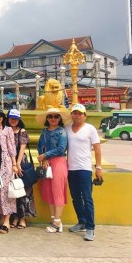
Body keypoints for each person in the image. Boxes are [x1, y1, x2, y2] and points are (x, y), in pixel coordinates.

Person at [65, 103, 103, 241]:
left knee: (87, 198)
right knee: (75, 198)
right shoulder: (67, 128)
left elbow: (97, 149)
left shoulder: (90, 129)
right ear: (71, 115)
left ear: (84, 115)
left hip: (85, 168)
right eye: (75, 113)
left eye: (80, 113)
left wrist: (98, 168)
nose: (77, 115)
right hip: (71, 168)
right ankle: (81, 222)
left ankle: (90, 227)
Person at [36, 107, 71, 233]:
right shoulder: (44, 132)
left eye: (56, 116)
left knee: (57, 191)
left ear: (60, 118)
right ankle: (53, 218)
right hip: (47, 163)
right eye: (50, 116)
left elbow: (61, 148)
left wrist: (45, 155)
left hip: (58, 162)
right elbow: (40, 146)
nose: (53, 119)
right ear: (47, 119)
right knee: (48, 191)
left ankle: (57, 222)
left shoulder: (62, 131)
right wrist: (43, 158)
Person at [0, 106, 18, 234]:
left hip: (6, 163)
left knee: (6, 191)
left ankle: (7, 219)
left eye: (0, 115)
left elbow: (12, 148)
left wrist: (14, 164)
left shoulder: (8, 130)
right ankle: (0, 216)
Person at [7, 109, 36, 229]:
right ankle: (14, 217)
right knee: (12, 191)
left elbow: (22, 148)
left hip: (20, 163)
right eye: (11, 118)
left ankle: (23, 218)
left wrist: (18, 164)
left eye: (16, 118)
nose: (13, 120)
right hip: (8, 163)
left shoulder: (22, 131)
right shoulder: (6, 131)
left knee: (24, 191)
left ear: (19, 119)